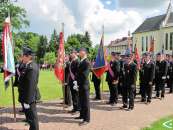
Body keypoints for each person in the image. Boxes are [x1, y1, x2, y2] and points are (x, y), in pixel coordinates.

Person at [19, 46, 40, 130]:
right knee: (31, 118)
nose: (22, 57)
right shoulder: (27, 66)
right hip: (26, 96)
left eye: (23, 55)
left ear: (28, 56)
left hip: (29, 97)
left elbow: (31, 86)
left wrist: (27, 100)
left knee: (33, 117)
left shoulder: (32, 67)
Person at [75, 48, 90, 125]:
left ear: (84, 52)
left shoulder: (86, 62)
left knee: (86, 103)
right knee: (81, 101)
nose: (79, 52)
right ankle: (82, 115)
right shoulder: (82, 61)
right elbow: (78, 73)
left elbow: (84, 75)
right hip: (80, 84)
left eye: (80, 51)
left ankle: (86, 119)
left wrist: (78, 82)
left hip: (84, 85)